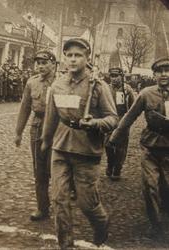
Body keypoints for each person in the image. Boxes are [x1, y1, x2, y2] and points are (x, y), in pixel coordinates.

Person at [41, 38, 118, 248]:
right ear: (64, 58)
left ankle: (101, 224)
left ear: (87, 58)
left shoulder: (98, 86)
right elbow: (51, 117)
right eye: (69, 55)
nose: (73, 60)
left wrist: (94, 123)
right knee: (59, 199)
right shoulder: (57, 85)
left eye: (78, 55)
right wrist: (46, 141)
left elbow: (113, 119)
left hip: (87, 151)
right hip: (61, 147)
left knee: (87, 203)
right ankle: (65, 244)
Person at [109, 58, 169, 238]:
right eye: (160, 71)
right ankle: (156, 226)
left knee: (165, 186)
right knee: (150, 185)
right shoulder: (146, 94)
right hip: (150, 146)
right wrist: (115, 136)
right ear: (154, 74)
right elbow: (129, 116)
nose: (164, 74)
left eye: (168, 70)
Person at [15, 50, 56, 221]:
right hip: (38, 126)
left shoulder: (62, 83)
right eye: (38, 63)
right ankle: (42, 207)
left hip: (58, 128)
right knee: (39, 169)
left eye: (44, 62)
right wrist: (18, 132)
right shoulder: (32, 83)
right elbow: (25, 108)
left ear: (53, 64)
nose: (40, 66)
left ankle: (62, 205)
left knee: (57, 168)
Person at [105, 67, 135, 180]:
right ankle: (110, 163)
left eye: (116, 76)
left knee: (120, 147)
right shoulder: (106, 89)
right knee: (108, 145)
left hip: (123, 120)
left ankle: (117, 168)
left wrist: (127, 120)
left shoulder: (127, 90)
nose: (114, 78)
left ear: (121, 76)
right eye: (112, 76)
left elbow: (133, 106)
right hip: (109, 120)